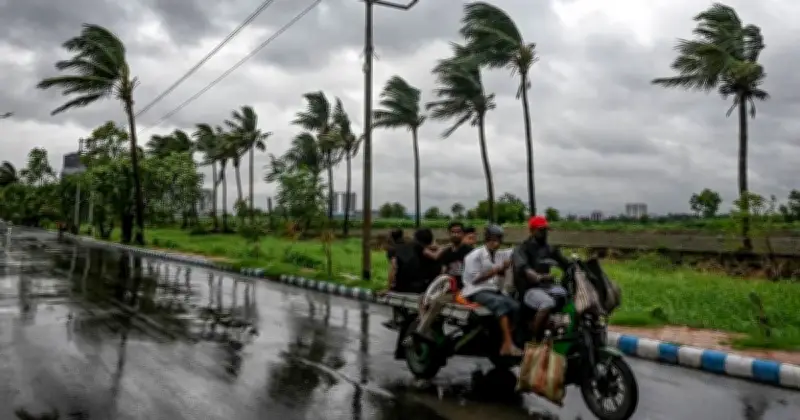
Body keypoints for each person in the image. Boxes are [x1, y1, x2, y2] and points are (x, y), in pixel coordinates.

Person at [461, 225, 522, 356]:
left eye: (498, 241)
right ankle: (507, 343)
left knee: (516, 306)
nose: (496, 244)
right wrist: (496, 270)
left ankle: (506, 338)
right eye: (493, 240)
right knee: (500, 304)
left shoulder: (500, 254)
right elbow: (474, 280)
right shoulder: (474, 256)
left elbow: (516, 250)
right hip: (475, 290)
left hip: (492, 290)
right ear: (486, 240)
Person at [512, 215, 570, 341]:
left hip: (548, 287)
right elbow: (524, 268)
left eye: (545, 230)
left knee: (569, 297)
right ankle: (534, 339)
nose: (544, 233)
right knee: (547, 303)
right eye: (541, 230)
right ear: (532, 231)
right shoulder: (521, 249)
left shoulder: (549, 248)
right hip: (529, 290)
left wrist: (579, 267)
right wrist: (537, 276)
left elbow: (565, 263)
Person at [414, 221, 474, 340]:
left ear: (463, 234)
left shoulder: (469, 252)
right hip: (447, 287)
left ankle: (421, 331)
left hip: (461, 290)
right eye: (453, 232)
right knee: (423, 297)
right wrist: (437, 287)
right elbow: (443, 271)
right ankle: (427, 326)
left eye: (458, 232)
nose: (455, 235)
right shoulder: (447, 252)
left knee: (438, 301)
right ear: (449, 234)